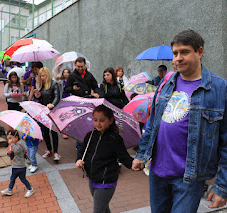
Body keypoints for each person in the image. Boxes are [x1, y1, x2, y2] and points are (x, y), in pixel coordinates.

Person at [132, 29, 227, 212]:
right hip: (157, 174)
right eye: (175, 53)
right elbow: (152, 124)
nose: (178, 58)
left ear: (199, 52)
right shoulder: (167, 83)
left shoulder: (219, 88)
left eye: (184, 52)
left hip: (188, 178)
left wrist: (222, 186)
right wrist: (142, 154)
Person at [75, 105, 133, 213]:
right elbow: (82, 151)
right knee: (104, 208)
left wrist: (133, 164)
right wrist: (78, 160)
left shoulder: (115, 139)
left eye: (102, 120)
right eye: (95, 120)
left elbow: (124, 157)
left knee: (98, 210)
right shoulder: (90, 135)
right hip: (92, 179)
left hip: (106, 181)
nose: (98, 123)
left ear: (110, 121)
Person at [64, 57, 99, 150]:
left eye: (82, 66)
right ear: (75, 65)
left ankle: (87, 143)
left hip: (88, 101)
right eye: (78, 66)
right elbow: (66, 89)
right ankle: (79, 145)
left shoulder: (89, 75)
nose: (80, 68)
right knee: (79, 124)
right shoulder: (72, 76)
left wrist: (96, 93)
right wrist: (72, 88)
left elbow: (95, 86)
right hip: (77, 103)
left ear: (84, 65)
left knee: (88, 123)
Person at [34, 67, 61, 161]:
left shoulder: (54, 84)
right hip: (44, 112)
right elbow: (40, 100)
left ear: (47, 75)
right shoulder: (41, 86)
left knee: (53, 132)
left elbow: (57, 96)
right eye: (40, 76)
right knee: (45, 133)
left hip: (52, 112)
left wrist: (52, 104)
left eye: (43, 75)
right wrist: (37, 96)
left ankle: (56, 152)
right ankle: (49, 150)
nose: (42, 78)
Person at [1, 130, 35, 198]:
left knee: (23, 179)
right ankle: (9, 189)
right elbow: (8, 152)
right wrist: (8, 153)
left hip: (20, 166)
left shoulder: (20, 144)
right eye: (8, 139)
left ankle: (30, 189)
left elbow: (16, 150)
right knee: (12, 178)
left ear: (16, 138)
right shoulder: (13, 144)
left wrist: (12, 144)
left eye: (10, 138)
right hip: (14, 166)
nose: (9, 140)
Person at [58, 68, 71, 139]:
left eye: (67, 72)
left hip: (69, 101)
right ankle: (64, 131)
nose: (65, 74)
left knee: (69, 116)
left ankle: (68, 131)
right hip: (62, 101)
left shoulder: (71, 82)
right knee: (63, 116)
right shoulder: (60, 82)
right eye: (64, 72)